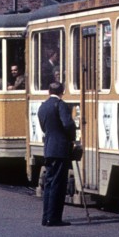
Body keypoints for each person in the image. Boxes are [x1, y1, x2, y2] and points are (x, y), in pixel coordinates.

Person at [37, 81, 76, 227]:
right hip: (60, 149)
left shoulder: (43, 106)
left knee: (49, 183)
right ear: (62, 91)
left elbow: (43, 127)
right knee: (58, 185)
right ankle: (54, 218)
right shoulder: (60, 105)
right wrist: (72, 138)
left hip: (49, 148)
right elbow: (67, 124)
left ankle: (46, 217)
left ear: (48, 91)